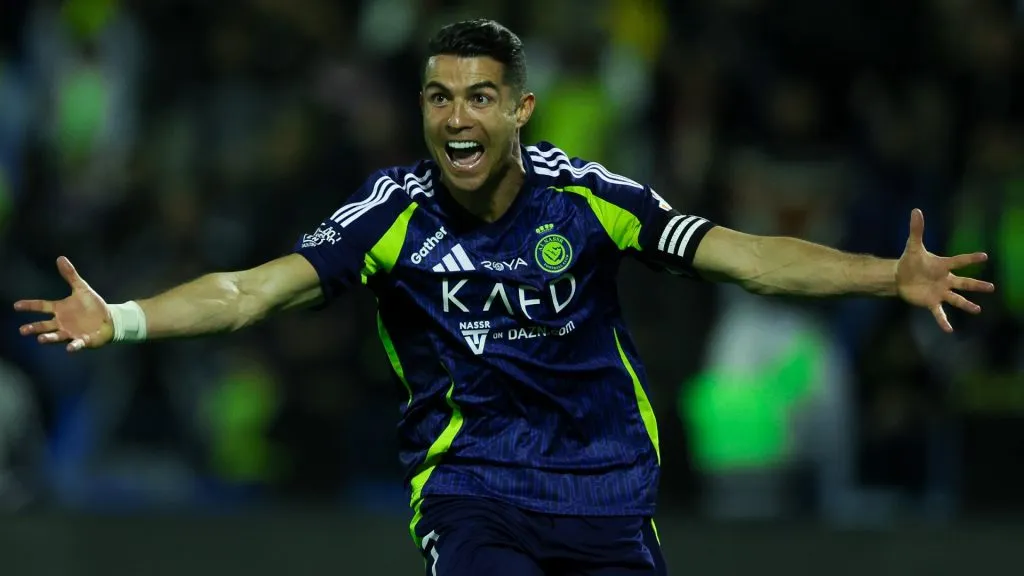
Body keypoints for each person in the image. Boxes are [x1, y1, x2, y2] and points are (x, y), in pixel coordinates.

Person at [13, 19, 993, 576]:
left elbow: (741, 256)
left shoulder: (591, 200)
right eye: (439, 97)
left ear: (518, 109)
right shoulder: (389, 215)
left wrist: (886, 274)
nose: (456, 116)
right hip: (473, 489)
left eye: (479, 95)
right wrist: (125, 317)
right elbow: (249, 292)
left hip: (608, 492)